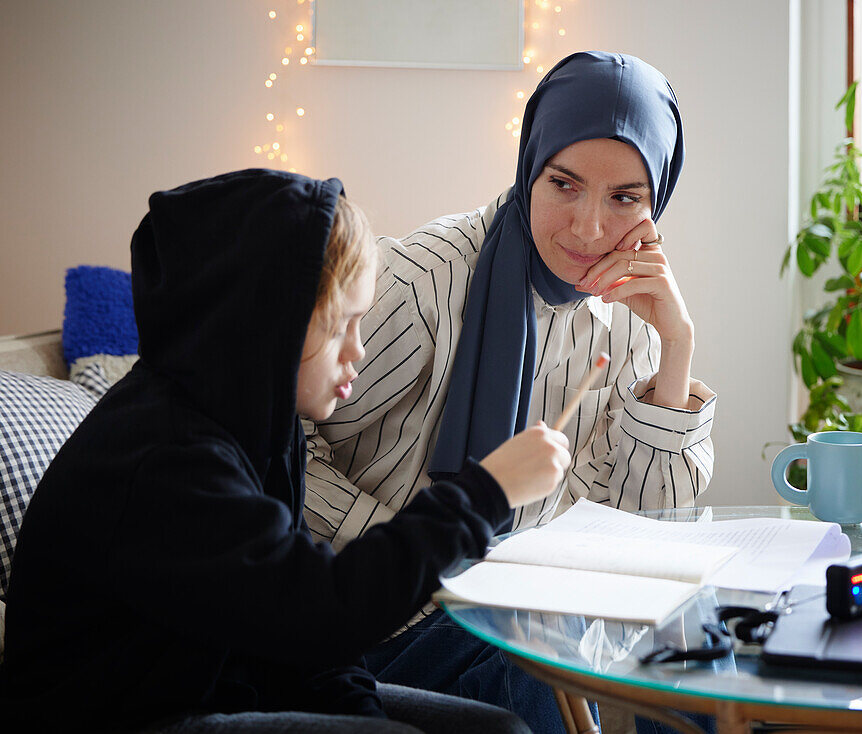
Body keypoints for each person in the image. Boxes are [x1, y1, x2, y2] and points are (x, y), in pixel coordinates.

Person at [0, 169, 573, 733]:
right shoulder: (166, 456)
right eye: (340, 325)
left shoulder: (265, 426)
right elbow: (322, 613)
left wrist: (358, 710)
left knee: (493, 727)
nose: (360, 351)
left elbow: (300, 644)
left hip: (228, 686)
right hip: (130, 716)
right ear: (264, 323)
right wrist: (485, 492)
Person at [303, 52, 717, 732]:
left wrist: (676, 348)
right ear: (531, 167)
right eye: (564, 184)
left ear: (656, 201)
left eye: (624, 199)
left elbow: (640, 526)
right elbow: (282, 444)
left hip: (519, 613)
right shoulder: (418, 285)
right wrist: (424, 552)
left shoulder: (631, 313)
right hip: (380, 623)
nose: (587, 228)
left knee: (694, 630)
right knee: (535, 643)